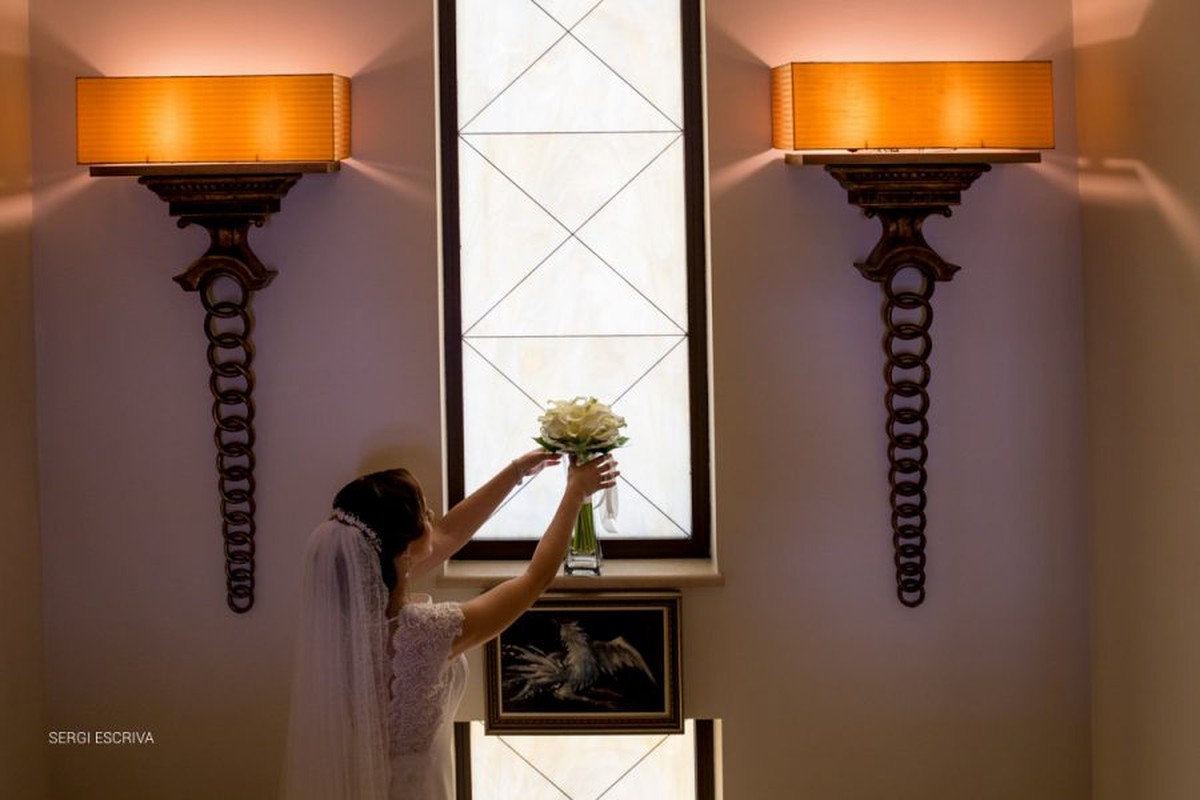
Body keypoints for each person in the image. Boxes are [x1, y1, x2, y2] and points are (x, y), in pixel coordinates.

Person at [280, 449, 617, 800]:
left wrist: (516, 471)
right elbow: (535, 579)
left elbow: (448, 534)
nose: (432, 517)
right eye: (423, 513)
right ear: (403, 552)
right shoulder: (425, 634)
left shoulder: (341, 610)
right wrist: (576, 491)